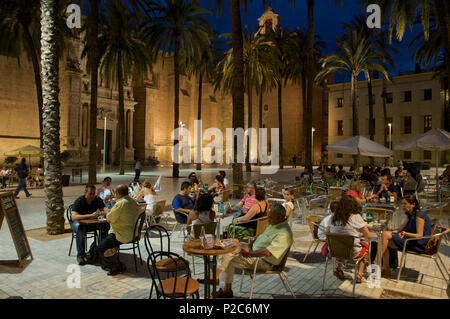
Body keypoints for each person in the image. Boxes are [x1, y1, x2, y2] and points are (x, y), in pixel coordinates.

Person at [214, 204, 293, 298]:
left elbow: (267, 252)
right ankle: (219, 280)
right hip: (254, 252)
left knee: (228, 257)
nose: (268, 219)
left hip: (263, 261)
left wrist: (250, 253)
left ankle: (224, 286)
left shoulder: (284, 233)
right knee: (228, 247)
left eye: (270, 217)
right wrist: (249, 245)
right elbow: (261, 237)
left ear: (279, 217)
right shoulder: (275, 224)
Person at [378, 194, 432, 276]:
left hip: (417, 244)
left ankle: (376, 263)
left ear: (413, 204)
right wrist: (392, 231)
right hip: (409, 240)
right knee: (384, 241)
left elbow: (419, 235)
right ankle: (386, 268)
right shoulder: (409, 215)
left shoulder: (419, 215)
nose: (403, 206)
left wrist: (406, 233)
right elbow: (400, 229)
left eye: (405, 204)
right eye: (402, 204)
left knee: (384, 235)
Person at [97, 184, 141, 276]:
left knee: (100, 248)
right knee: (107, 242)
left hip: (121, 234)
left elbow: (110, 218)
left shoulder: (121, 203)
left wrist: (106, 212)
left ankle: (116, 266)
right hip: (133, 233)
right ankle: (115, 260)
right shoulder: (133, 202)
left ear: (117, 193)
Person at [329, 195, 371, 283]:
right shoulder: (356, 217)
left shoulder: (333, 217)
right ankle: (359, 274)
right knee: (365, 249)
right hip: (352, 252)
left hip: (335, 251)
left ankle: (338, 268)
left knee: (343, 246)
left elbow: (328, 232)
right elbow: (368, 235)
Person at [70, 185, 109, 265]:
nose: (92, 196)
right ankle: (81, 255)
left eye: (93, 193)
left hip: (91, 223)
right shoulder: (80, 201)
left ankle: (99, 250)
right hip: (78, 223)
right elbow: (74, 217)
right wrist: (90, 215)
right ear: (85, 192)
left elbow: (105, 209)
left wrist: (104, 212)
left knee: (106, 226)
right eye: (90, 193)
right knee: (81, 229)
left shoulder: (97, 199)